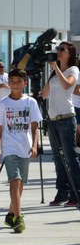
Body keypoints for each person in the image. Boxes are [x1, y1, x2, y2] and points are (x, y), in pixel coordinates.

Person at [0, 68, 41, 233]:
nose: (15, 84)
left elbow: (35, 127)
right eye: (12, 81)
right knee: (14, 180)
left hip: (25, 147)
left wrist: (35, 146)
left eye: (18, 81)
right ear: (8, 83)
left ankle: (10, 213)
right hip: (9, 148)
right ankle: (19, 218)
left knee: (21, 184)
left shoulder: (31, 102)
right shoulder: (2, 104)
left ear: (24, 83)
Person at [41, 41, 80, 207]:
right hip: (53, 119)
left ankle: (76, 193)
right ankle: (62, 192)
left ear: (70, 53)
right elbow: (44, 94)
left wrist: (55, 68)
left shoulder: (73, 70)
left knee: (70, 158)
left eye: (61, 49)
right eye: (57, 49)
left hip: (66, 117)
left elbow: (67, 85)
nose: (58, 51)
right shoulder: (54, 73)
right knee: (58, 159)